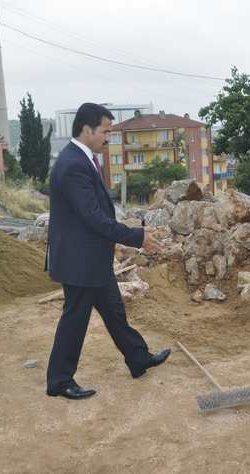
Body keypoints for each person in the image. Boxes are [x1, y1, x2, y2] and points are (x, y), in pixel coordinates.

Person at [45, 103, 170, 400]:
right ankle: (59, 380)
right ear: (87, 130)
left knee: (114, 311)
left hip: (91, 258)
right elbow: (93, 218)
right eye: (105, 132)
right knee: (75, 320)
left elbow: (92, 216)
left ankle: (138, 358)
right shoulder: (73, 164)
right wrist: (136, 236)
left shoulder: (82, 159)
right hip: (79, 261)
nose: (108, 139)